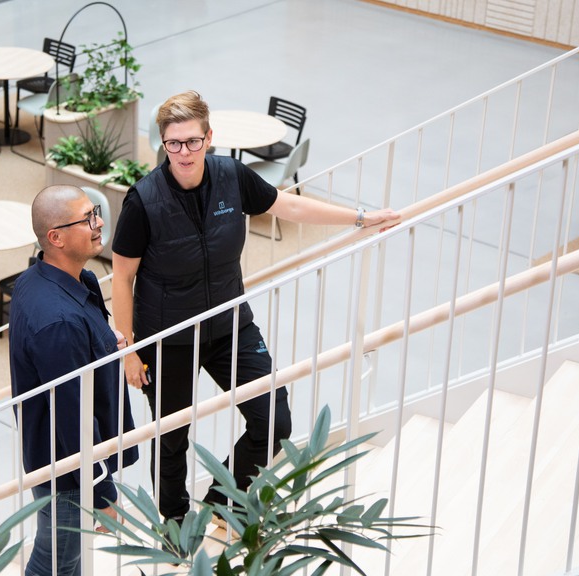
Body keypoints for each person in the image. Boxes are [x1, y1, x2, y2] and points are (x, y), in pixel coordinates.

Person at [111, 90, 400, 522]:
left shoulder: (232, 176)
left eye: (192, 141)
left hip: (229, 324)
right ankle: (174, 531)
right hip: (167, 337)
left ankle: (219, 502)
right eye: (174, 143)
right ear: (163, 143)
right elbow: (121, 277)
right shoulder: (143, 200)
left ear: (209, 137)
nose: (184, 152)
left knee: (273, 420)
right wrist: (129, 350)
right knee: (171, 438)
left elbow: (291, 205)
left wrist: (359, 218)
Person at [10, 185, 140, 576]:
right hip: (68, 474)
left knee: (64, 559)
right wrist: (102, 494)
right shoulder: (57, 322)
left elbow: (82, 340)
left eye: (95, 211)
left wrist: (103, 340)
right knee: (56, 564)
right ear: (56, 237)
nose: (99, 223)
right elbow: (73, 418)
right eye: (87, 218)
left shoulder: (47, 279)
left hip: (57, 463)